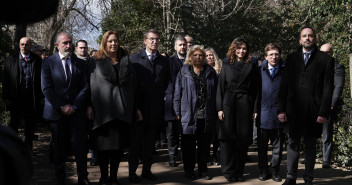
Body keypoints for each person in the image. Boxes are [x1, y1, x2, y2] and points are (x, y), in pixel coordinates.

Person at [278, 26, 334, 185]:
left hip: (314, 111)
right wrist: (281, 109)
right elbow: (284, 86)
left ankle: (308, 178)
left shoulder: (326, 60)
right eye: (304, 36)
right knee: (292, 144)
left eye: (310, 36)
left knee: (310, 146)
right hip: (293, 110)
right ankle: (291, 177)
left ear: (315, 39)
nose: (307, 38)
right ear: (300, 39)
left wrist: (323, 112)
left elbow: (328, 88)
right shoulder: (291, 58)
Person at [41, 31, 91, 185]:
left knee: (80, 147)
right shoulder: (48, 62)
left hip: (77, 112)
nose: (69, 46)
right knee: (59, 148)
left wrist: (74, 105)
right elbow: (47, 88)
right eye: (65, 43)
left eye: (70, 42)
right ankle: (60, 177)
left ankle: (83, 177)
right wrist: (61, 106)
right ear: (57, 45)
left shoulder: (81, 63)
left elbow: (85, 86)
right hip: (57, 113)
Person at [88, 30, 135, 185]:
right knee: (103, 149)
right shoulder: (95, 61)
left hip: (121, 111)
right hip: (102, 112)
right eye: (110, 41)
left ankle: (113, 178)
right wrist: (89, 105)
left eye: (115, 40)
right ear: (104, 43)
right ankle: (103, 177)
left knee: (117, 149)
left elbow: (133, 87)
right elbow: (89, 86)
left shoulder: (126, 61)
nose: (113, 43)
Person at [128, 29, 170, 183]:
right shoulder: (134, 60)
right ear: (145, 40)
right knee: (135, 143)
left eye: (157, 39)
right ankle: (132, 172)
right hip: (138, 110)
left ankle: (146, 170)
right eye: (151, 39)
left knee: (150, 144)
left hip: (155, 109)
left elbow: (168, 83)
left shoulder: (165, 61)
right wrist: (136, 108)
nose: (155, 42)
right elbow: (130, 87)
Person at [216, 38, 258, 182]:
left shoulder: (252, 66)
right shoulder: (227, 65)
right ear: (233, 49)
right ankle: (228, 171)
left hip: (245, 104)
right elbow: (220, 87)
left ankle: (239, 171)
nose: (241, 51)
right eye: (238, 48)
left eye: (244, 48)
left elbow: (256, 90)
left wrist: (255, 108)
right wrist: (219, 108)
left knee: (242, 139)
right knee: (227, 139)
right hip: (228, 104)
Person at [173, 45, 217, 180]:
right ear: (190, 57)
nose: (198, 57)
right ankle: (189, 170)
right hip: (188, 114)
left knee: (204, 146)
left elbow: (216, 92)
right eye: (195, 55)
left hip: (206, 115)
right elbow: (177, 93)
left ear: (204, 57)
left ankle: (203, 170)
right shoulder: (184, 71)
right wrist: (177, 110)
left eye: (201, 55)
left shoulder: (210, 72)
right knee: (188, 146)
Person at [2, 37, 43, 152]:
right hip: (15, 97)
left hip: (31, 97)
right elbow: (5, 79)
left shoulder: (37, 60)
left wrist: (42, 97)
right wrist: (5, 96)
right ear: (19, 45)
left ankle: (28, 146)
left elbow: (41, 80)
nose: (24, 46)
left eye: (27, 44)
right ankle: (14, 146)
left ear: (31, 46)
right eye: (22, 44)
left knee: (30, 124)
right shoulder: (11, 59)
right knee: (14, 122)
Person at [256, 43, 285, 182]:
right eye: (271, 54)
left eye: (276, 54)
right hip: (263, 114)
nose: (274, 57)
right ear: (266, 56)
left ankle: (275, 170)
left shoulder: (285, 70)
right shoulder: (258, 71)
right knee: (262, 146)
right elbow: (255, 93)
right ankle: (263, 170)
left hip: (279, 115)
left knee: (278, 147)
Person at [319, 43, 345, 168]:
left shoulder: (338, 67)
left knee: (326, 133)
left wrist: (332, 104)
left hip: (328, 105)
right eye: (322, 52)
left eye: (327, 52)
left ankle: (326, 160)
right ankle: (311, 155)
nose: (324, 55)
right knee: (311, 133)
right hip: (314, 105)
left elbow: (338, 87)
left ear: (332, 53)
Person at [74, 40, 99, 167]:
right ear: (76, 48)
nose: (83, 50)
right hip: (76, 102)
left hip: (92, 100)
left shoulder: (93, 61)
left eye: (85, 48)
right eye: (81, 48)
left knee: (93, 131)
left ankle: (94, 156)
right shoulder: (72, 61)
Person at [164, 36, 187, 167]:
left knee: (185, 132)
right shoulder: (169, 62)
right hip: (172, 99)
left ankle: (185, 156)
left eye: (184, 45)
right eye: (180, 45)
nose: (182, 47)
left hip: (187, 101)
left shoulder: (190, 61)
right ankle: (172, 157)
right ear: (175, 47)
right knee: (172, 132)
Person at [205, 47, 222, 166]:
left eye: (211, 55)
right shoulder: (202, 69)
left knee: (217, 134)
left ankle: (216, 155)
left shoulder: (221, 68)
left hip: (218, 105)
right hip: (206, 105)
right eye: (206, 55)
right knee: (206, 134)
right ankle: (206, 156)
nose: (209, 57)